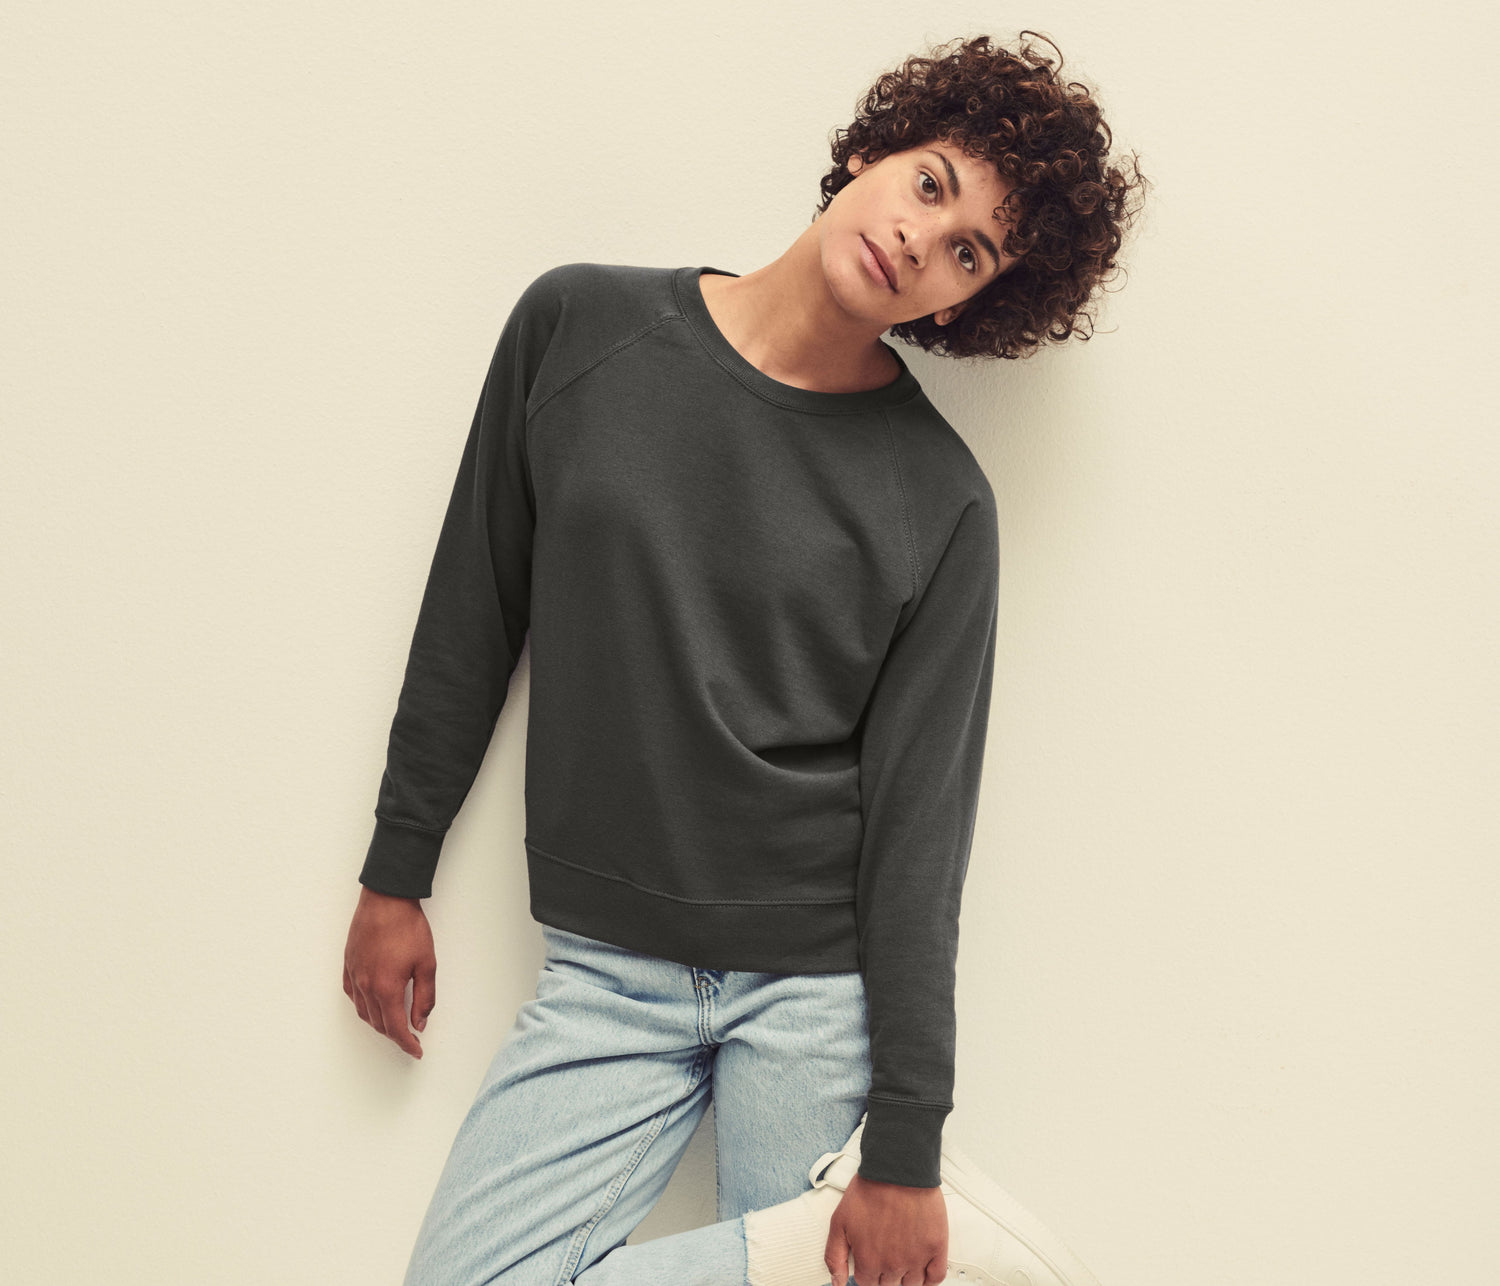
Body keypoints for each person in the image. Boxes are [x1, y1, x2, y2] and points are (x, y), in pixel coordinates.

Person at [342, 30, 1147, 1286]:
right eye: (931, 184)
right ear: (877, 148)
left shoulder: (942, 503)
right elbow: (472, 608)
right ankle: (801, 1261)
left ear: (965, 306)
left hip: (815, 992)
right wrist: (399, 866)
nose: (919, 240)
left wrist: (907, 1144)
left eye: (968, 252)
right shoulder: (580, 326)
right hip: (606, 971)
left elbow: (922, 835)